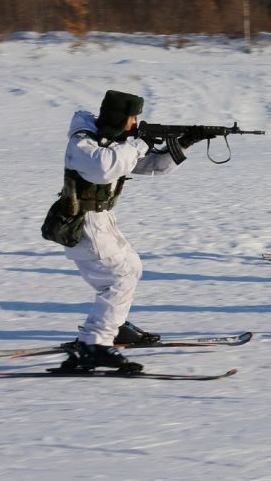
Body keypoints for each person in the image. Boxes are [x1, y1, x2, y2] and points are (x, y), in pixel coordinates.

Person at [52, 90, 206, 371]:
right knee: (118, 279)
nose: (136, 124)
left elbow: (152, 166)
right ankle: (94, 344)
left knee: (130, 268)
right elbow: (104, 168)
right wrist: (140, 143)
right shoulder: (84, 144)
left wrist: (183, 144)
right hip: (83, 224)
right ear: (120, 117)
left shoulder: (112, 144)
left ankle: (114, 325)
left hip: (101, 222)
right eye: (133, 118)